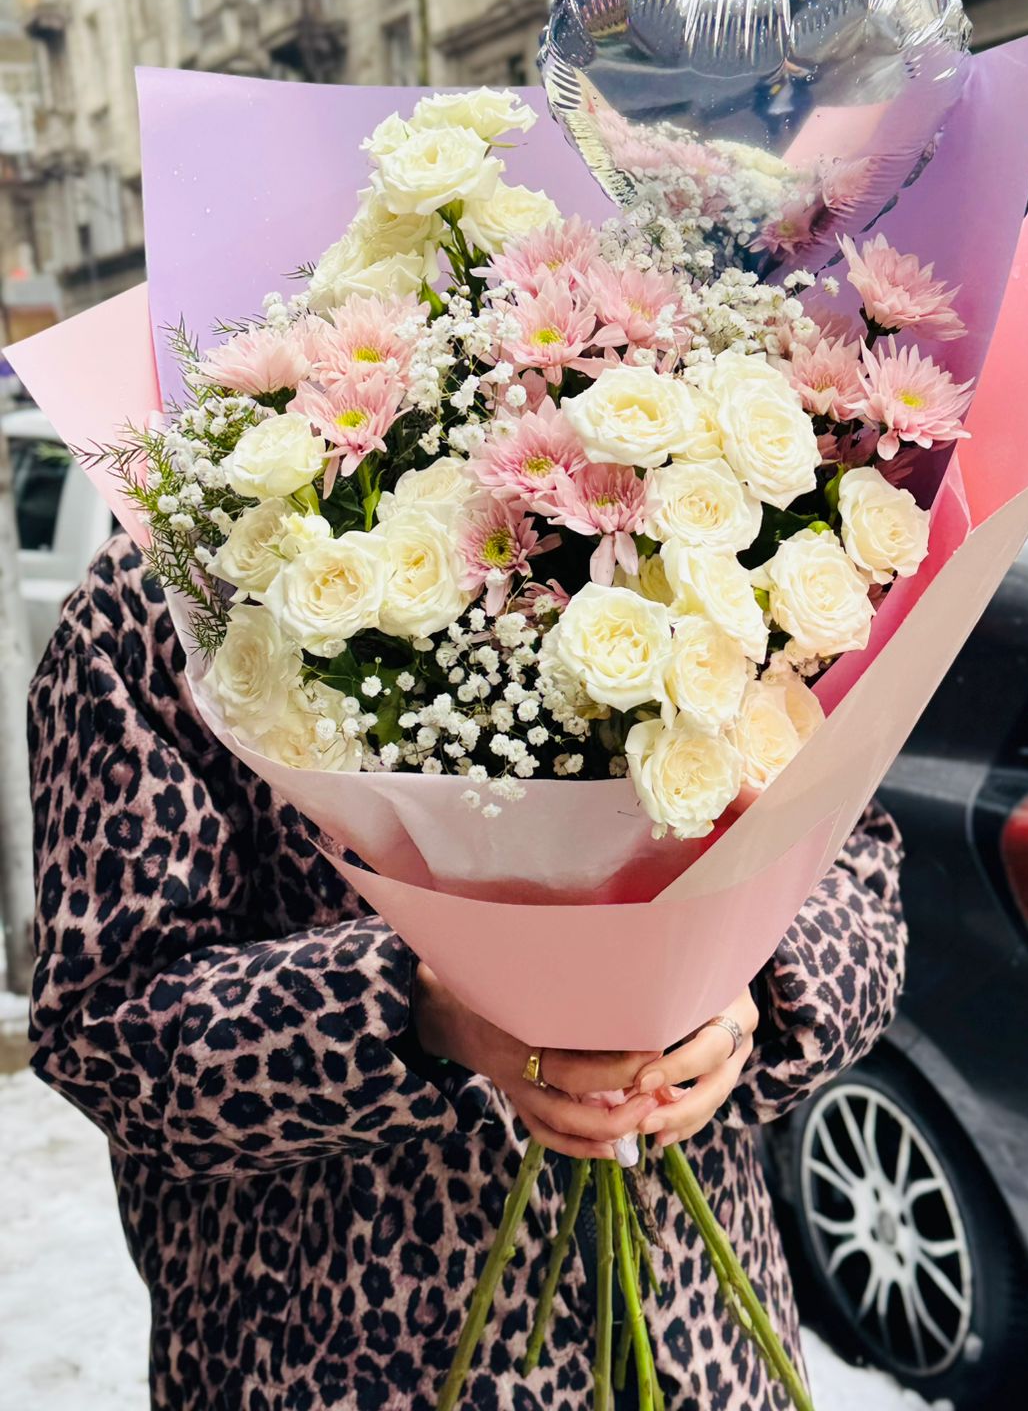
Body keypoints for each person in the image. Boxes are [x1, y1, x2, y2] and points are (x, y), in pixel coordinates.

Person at [27, 535, 906, 1411]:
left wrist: (744, 991)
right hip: (345, 1348)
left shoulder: (686, 528)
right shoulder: (169, 598)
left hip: (700, 1330)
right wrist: (420, 1010)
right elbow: (107, 1034)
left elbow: (859, 873)